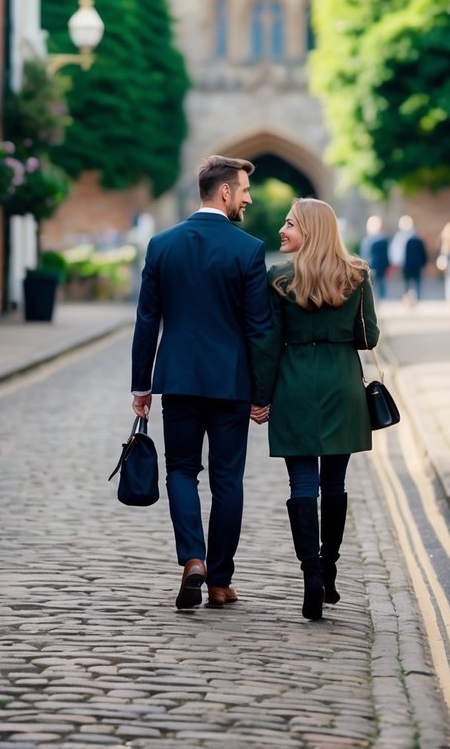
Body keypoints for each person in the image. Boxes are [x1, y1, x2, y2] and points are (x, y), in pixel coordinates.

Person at [130, 155, 274, 612]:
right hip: (230, 383)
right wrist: (262, 390)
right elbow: (259, 329)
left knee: (181, 470)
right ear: (225, 191)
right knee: (228, 480)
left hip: (178, 381)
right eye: (245, 190)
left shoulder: (161, 245)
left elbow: (146, 321)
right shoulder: (248, 249)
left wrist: (141, 385)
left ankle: (193, 559)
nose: (248, 198)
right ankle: (220, 581)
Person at [251, 198, 380, 621]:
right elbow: (369, 338)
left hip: (294, 384)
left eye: (290, 224)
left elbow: (268, 345)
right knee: (336, 482)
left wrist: (261, 396)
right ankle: (329, 568)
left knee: (302, 483)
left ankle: (310, 576)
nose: (282, 231)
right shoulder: (357, 275)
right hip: (342, 383)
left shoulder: (279, 278)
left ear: (311, 229)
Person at [392, 215, 427, 305]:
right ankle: (407, 299)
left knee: (416, 281)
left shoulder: (416, 237)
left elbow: (422, 251)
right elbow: (396, 251)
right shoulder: (400, 237)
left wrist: (423, 263)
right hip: (406, 264)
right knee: (407, 283)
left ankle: (417, 299)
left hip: (414, 264)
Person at [360, 215, 390, 300]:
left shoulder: (368, 240)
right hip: (381, 266)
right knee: (380, 284)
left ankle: (374, 300)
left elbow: (364, 254)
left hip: (371, 265)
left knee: (371, 284)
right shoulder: (384, 239)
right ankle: (380, 299)